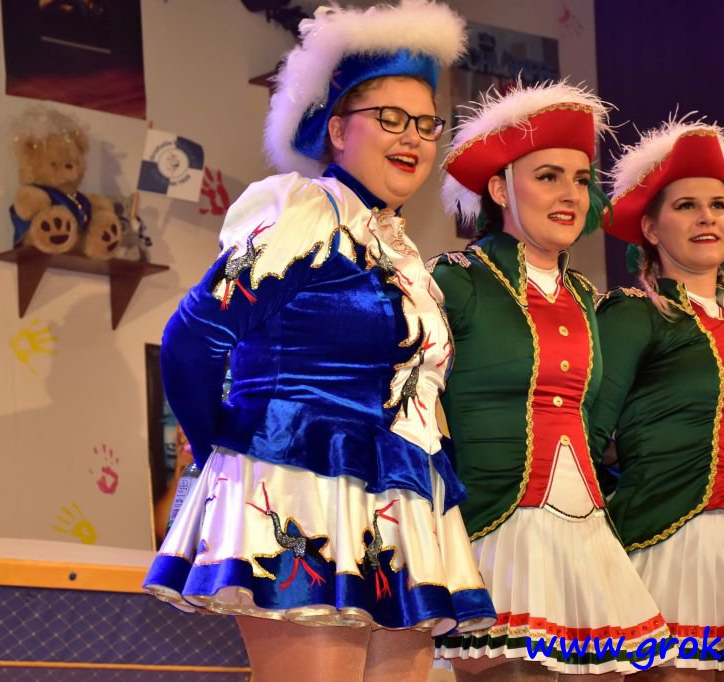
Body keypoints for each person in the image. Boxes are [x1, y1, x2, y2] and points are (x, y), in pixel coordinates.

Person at [142, 3, 495, 680]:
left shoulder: (401, 254)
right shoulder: (304, 215)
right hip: (300, 487)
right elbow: (191, 339)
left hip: (400, 495)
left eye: (426, 124)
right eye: (389, 118)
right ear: (336, 129)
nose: (413, 137)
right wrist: (229, 448)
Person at [431, 81, 671, 679]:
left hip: (581, 526)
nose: (570, 195)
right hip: (491, 526)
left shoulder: (588, 296)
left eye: (581, 180)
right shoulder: (455, 281)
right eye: (548, 177)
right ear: (499, 189)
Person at [590, 117, 724, 681]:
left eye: (717, 205)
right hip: (669, 539)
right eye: (686, 206)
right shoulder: (635, 314)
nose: (707, 217)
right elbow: (586, 433)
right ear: (650, 229)